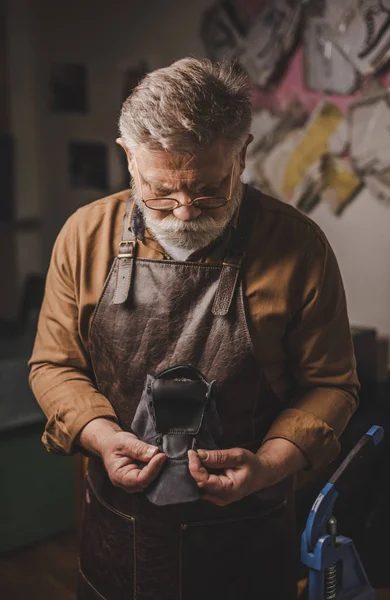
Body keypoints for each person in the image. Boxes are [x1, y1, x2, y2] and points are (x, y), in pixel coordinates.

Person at [29, 58, 359, 600]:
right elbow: (54, 365)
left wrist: (269, 464)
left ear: (242, 153)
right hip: (119, 533)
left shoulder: (298, 246)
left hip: (248, 534)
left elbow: (333, 385)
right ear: (128, 157)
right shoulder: (84, 236)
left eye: (209, 190)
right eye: (160, 192)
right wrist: (103, 438)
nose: (183, 212)